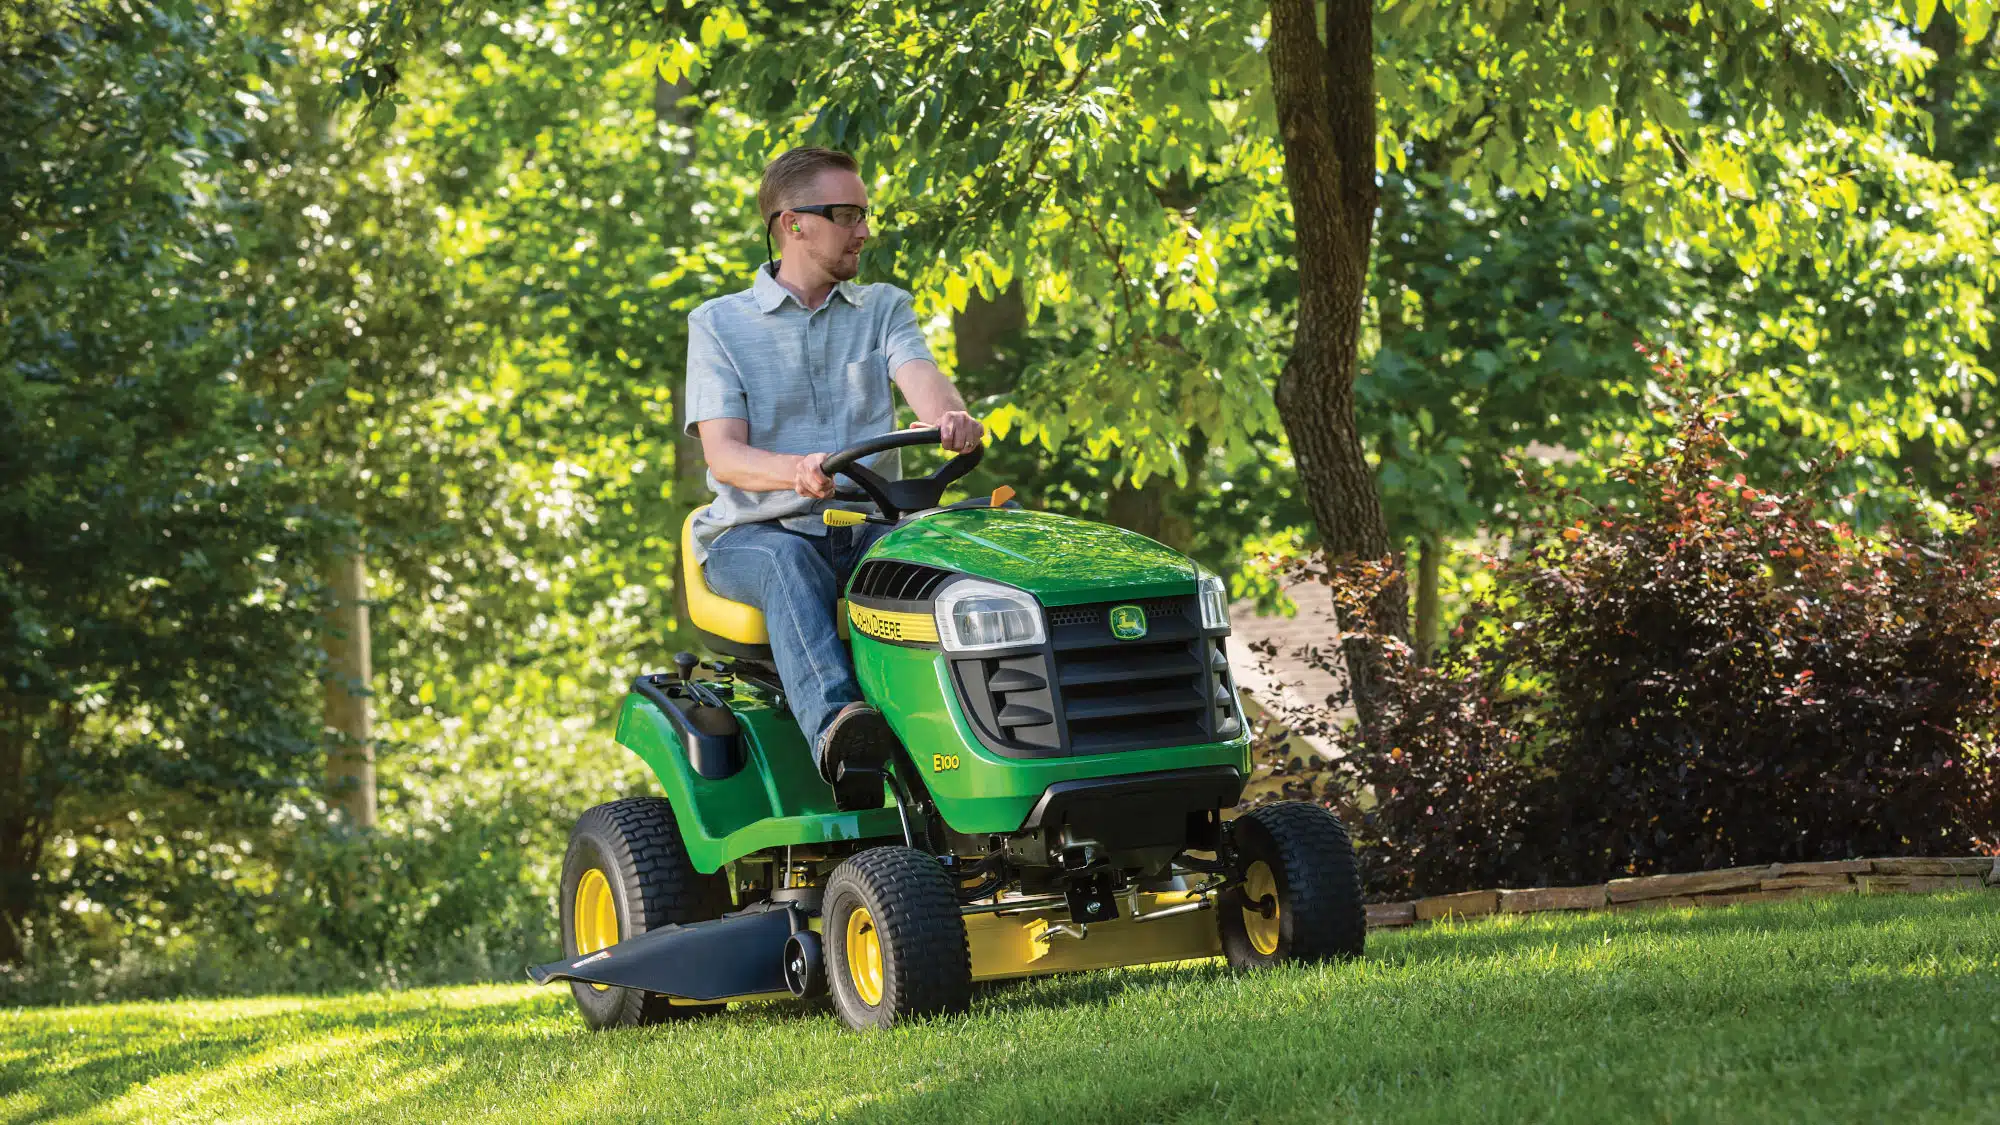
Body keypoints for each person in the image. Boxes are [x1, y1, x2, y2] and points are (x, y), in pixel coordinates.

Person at [682, 146, 984, 803]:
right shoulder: (719, 325)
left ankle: (984, 742)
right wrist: (795, 471)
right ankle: (840, 731)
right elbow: (725, 456)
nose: (864, 230)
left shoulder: (882, 308)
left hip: (870, 526)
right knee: (788, 562)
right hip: (753, 535)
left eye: (865, 214)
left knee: (966, 550)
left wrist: (950, 418)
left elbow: (921, 377)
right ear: (793, 224)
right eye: (847, 214)